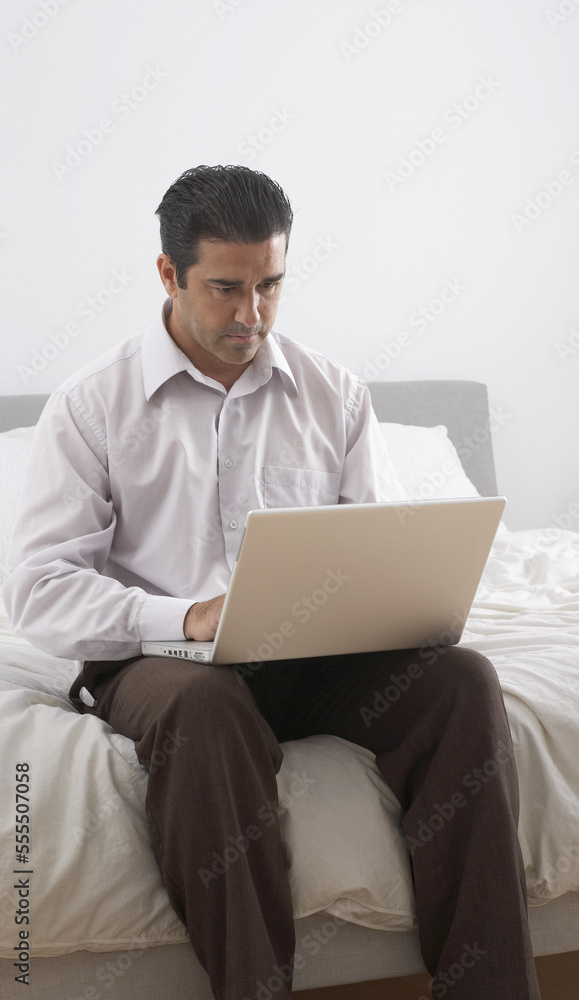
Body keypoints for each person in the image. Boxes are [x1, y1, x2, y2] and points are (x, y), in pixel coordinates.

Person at [2, 165, 541, 1000]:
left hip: (313, 657)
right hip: (159, 665)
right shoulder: (89, 405)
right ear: (168, 275)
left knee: (461, 682)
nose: (250, 315)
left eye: (270, 287)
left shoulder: (332, 393)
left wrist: (413, 607)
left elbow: (384, 543)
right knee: (206, 708)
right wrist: (188, 618)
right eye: (225, 288)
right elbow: (39, 590)